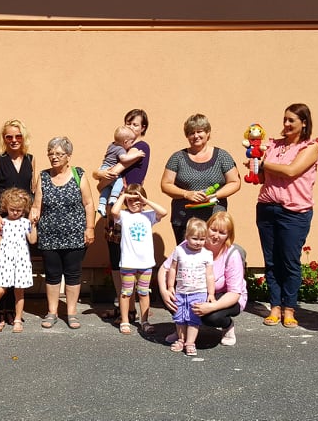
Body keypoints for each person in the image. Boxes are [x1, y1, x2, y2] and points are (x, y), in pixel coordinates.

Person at [254, 103, 318, 329]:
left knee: (290, 261)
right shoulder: (273, 145)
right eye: (284, 119)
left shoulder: (311, 146)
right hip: (267, 207)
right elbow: (263, 177)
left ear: (303, 123)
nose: (286, 124)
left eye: (291, 120)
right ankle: (275, 306)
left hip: (294, 212)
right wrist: (255, 165)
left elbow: (292, 171)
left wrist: (264, 163)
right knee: (271, 261)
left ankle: (289, 308)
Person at [93, 109, 151, 320]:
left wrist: (99, 173)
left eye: (135, 124)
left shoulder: (140, 148)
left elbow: (113, 172)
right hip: (114, 208)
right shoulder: (118, 147)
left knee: (130, 259)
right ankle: (121, 305)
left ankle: (132, 309)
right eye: (128, 123)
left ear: (143, 128)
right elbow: (101, 184)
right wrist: (99, 174)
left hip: (130, 207)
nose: (131, 127)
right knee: (116, 258)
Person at [158, 211, 247, 346]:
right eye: (213, 230)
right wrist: (164, 291)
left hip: (223, 295)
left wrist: (211, 307)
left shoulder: (232, 254)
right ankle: (182, 329)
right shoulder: (191, 242)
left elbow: (234, 293)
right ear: (207, 227)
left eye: (222, 232)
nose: (216, 235)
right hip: (194, 290)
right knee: (171, 298)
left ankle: (227, 325)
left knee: (212, 317)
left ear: (228, 235)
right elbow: (165, 269)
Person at [34, 137, 96, 329]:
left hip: (75, 234)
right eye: (51, 153)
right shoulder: (43, 176)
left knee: (73, 273)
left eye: (59, 154)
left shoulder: (78, 174)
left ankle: (71, 313)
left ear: (68, 156)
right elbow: (37, 206)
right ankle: (52, 312)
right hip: (49, 234)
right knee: (52, 274)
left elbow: (89, 203)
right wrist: (32, 221)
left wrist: (90, 228)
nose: (54, 157)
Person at [0, 119, 38, 325]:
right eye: (9, 137)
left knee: (18, 262)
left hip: (22, 220)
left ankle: (13, 312)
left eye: (18, 136)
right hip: (2, 219)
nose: (14, 140)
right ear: (4, 139)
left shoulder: (31, 159)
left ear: (23, 137)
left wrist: (33, 211)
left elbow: (33, 189)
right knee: (0, 264)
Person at [160, 113, 241, 244]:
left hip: (214, 221)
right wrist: (186, 194)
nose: (196, 135)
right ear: (187, 136)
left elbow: (235, 182)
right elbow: (165, 184)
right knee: (187, 255)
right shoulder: (177, 157)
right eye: (191, 133)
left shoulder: (222, 156)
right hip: (185, 220)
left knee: (214, 254)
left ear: (208, 133)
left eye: (199, 131)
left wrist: (215, 195)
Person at [110, 184, 167, 335]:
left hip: (145, 263)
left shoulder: (149, 215)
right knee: (126, 293)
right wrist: (124, 195)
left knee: (143, 292)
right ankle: (125, 321)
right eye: (131, 200)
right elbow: (114, 211)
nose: (134, 203)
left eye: (137, 200)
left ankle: (144, 321)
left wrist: (145, 200)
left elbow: (164, 212)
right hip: (128, 262)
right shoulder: (124, 215)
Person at [0, 188, 38, 333]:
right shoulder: (3, 223)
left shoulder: (25, 223)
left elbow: (32, 240)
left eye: (19, 210)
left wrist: (33, 225)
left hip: (21, 261)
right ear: (6, 207)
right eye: (12, 209)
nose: (15, 212)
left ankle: (18, 320)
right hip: (5, 261)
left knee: (19, 292)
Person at [166, 218, 215, 356]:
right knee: (180, 317)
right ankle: (181, 340)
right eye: (194, 238)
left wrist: (211, 293)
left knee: (194, 318)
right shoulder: (179, 250)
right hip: (181, 292)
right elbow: (173, 268)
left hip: (198, 292)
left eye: (202, 239)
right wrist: (170, 286)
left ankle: (190, 342)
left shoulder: (206, 254)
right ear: (186, 236)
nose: (198, 242)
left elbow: (210, 275)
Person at [95, 126, 145, 217]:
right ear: (125, 142)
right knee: (119, 182)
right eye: (131, 142)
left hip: (104, 167)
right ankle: (113, 198)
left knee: (106, 188)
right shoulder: (120, 149)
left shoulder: (112, 145)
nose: (132, 145)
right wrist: (137, 154)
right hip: (111, 168)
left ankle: (102, 205)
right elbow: (124, 159)